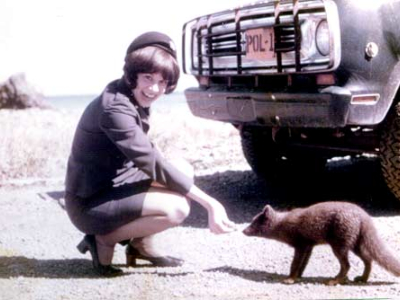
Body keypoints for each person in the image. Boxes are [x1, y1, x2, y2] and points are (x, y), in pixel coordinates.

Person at [64, 31, 236, 276]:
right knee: (176, 209)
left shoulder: (129, 95)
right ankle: (102, 239)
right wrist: (211, 204)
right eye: (148, 77)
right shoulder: (114, 107)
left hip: (114, 187)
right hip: (90, 204)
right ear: (132, 74)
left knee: (182, 169)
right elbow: (151, 162)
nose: (155, 89)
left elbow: (151, 158)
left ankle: (140, 244)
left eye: (163, 82)